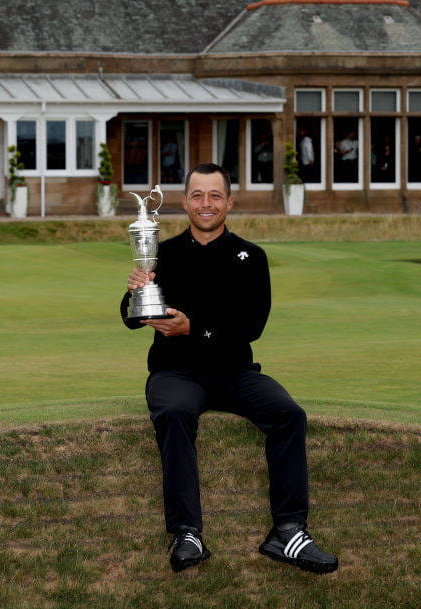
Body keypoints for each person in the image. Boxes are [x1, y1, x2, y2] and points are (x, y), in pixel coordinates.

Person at [120, 162, 338, 575]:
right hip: (176, 373)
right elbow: (132, 319)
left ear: (230, 202)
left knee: (289, 415)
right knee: (174, 412)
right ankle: (187, 533)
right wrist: (135, 291)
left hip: (236, 372)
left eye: (215, 195)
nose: (206, 204)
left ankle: (288, 532)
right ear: (185, 202)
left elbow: (251, 326)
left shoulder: (251, 257)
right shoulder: (162, 253)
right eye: (198, 195)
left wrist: (192, 328)